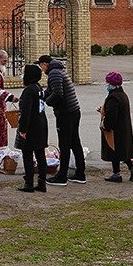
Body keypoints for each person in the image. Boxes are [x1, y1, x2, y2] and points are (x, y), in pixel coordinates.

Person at [38, 55, 86, 185]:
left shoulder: (53, 73)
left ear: (45, 64)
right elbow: (50, 90)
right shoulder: (58, 70)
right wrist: (41, 95)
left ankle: (62, 176)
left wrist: (47, 102)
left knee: (64, 144)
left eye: (41, 66)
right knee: (75, 142)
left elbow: (58, 93)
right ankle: (80, 173)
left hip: (66, 113)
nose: (41, 69)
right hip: (74, 110)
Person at [15, 63, 50, 192]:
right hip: (41, 124)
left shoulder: (29, 90)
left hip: (32, 127)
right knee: (40, 155)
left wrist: (23, 129)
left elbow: (26, 112)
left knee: (28, 154)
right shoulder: (38, 87)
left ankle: (29, 183)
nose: (21, 75)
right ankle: (42, 182)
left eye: (23, 72)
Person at [99, 70, 133, 182]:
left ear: (112, 84)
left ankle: (117, 173)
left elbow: (111, 115)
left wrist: (106, 126)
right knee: (123, 151)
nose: (106, 85)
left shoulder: (113, 97)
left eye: (107, 83)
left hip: (115, 130)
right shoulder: (122, 95)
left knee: (114, 151)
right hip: (123, 127)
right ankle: (132, 169)